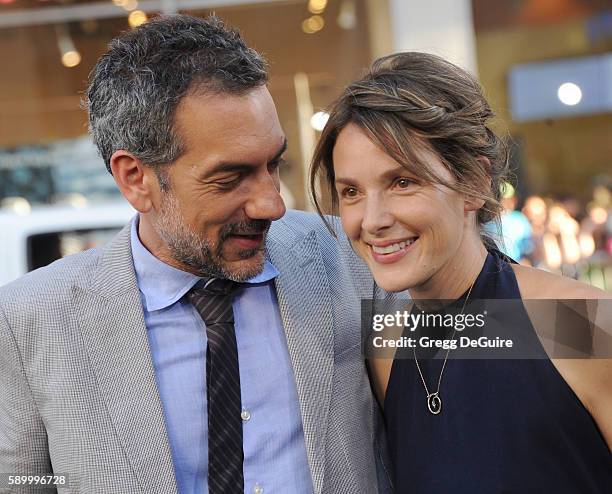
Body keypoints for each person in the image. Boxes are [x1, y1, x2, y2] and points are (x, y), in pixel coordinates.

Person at [0, 15, 393, 494]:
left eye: (274, 165)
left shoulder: (352, 258)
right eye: (229, 178)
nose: (272, 203)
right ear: (134, 177)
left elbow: (487, 348)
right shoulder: (30, 320)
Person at [310, 52, 612, 493]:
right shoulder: (386, 343)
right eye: (351, 191)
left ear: (473, 182)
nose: (371, 220)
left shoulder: (577, 319)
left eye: (402, 182)